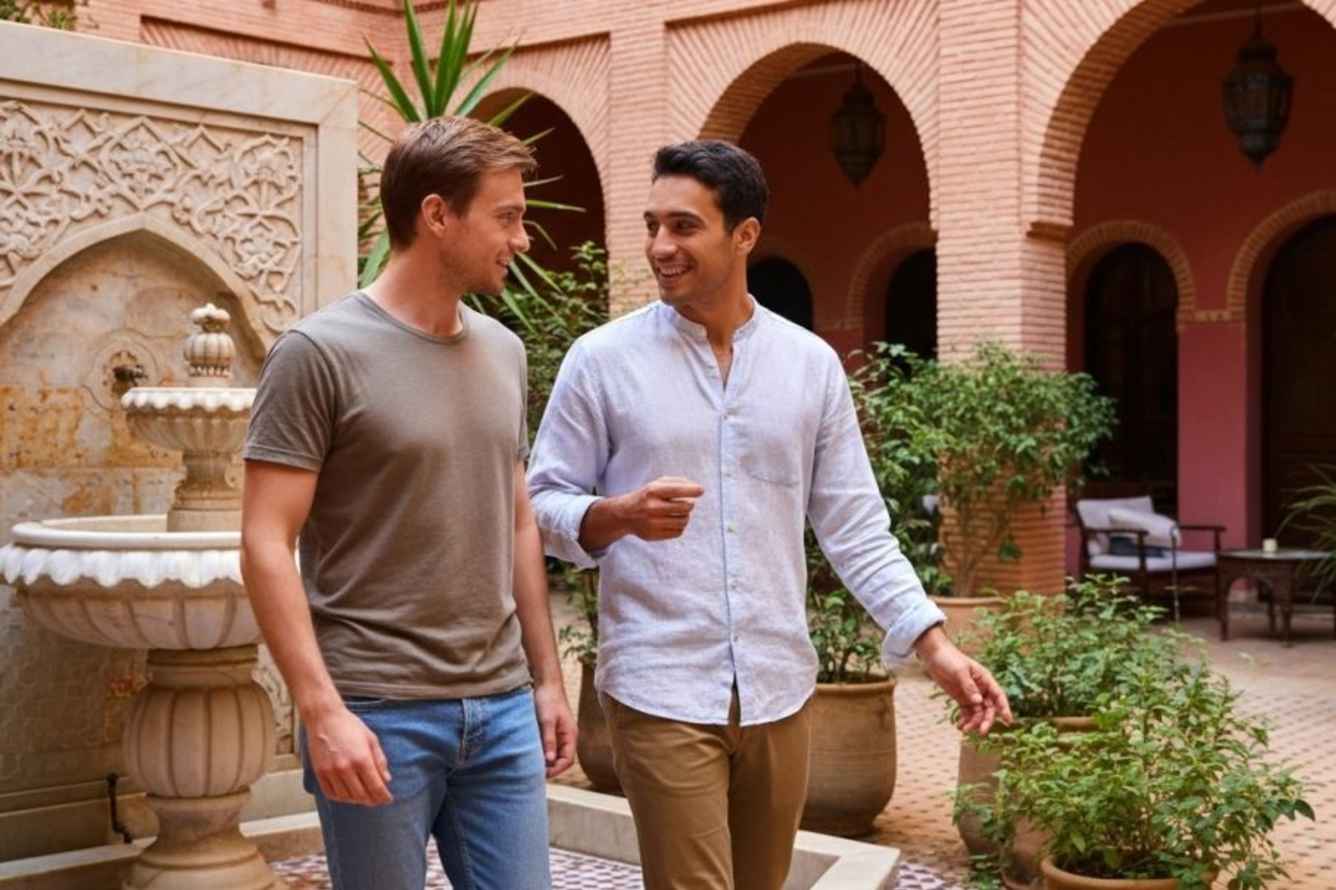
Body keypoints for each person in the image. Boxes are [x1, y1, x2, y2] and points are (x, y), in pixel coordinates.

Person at [527, 139, 1010, 890]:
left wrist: (936, 647)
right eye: (653, 225)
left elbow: (853, 525)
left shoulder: (809, 364)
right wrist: (614, 514)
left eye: (684, 227)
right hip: (660, 684)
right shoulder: (601, 360)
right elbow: (541, 503)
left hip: (779, 686)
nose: (660, 246)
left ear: (744, 234)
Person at [240, 116, 575, 890]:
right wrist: (322, 712)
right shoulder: (317, 353)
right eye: (507, 216)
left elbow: (517, 516)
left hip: (499, 709)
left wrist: (547, 679)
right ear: (436, 215)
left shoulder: (504, 350)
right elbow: (265, 542)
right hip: (376, 710)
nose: (522, 239)